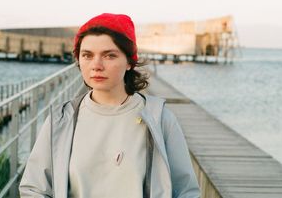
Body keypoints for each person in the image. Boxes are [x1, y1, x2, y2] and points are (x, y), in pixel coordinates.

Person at [19, 13, 200, 198]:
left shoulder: (160, 120)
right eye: (87, 55)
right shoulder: (60, 120)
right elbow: (34, 189)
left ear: (129, 62)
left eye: (109, 55)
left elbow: (186, 192)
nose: (96, 65)